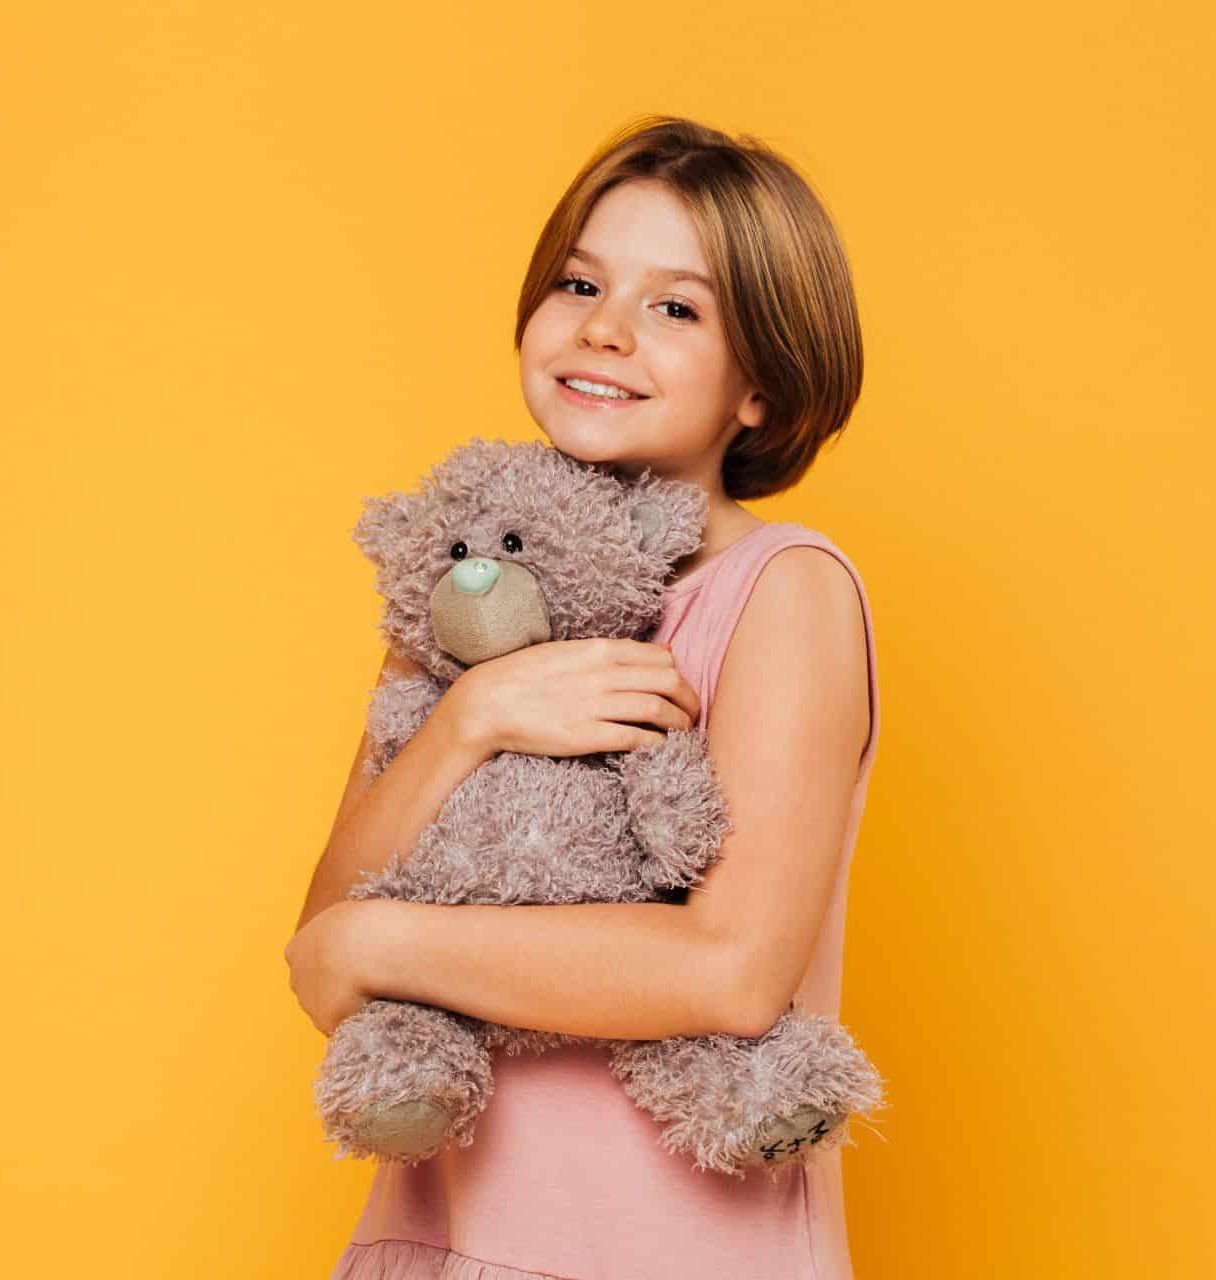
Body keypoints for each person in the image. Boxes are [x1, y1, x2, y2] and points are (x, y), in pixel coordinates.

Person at [286, 113, 883, 1280]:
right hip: (438, 1235)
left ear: (759, 382)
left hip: (669, 1252)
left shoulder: (784, 590)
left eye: (676, 306)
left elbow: (730, 969)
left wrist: (382, 939)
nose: (605, 328)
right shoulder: (463, 594)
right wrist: (474, 716)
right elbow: (319, 950)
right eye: (579, 281)